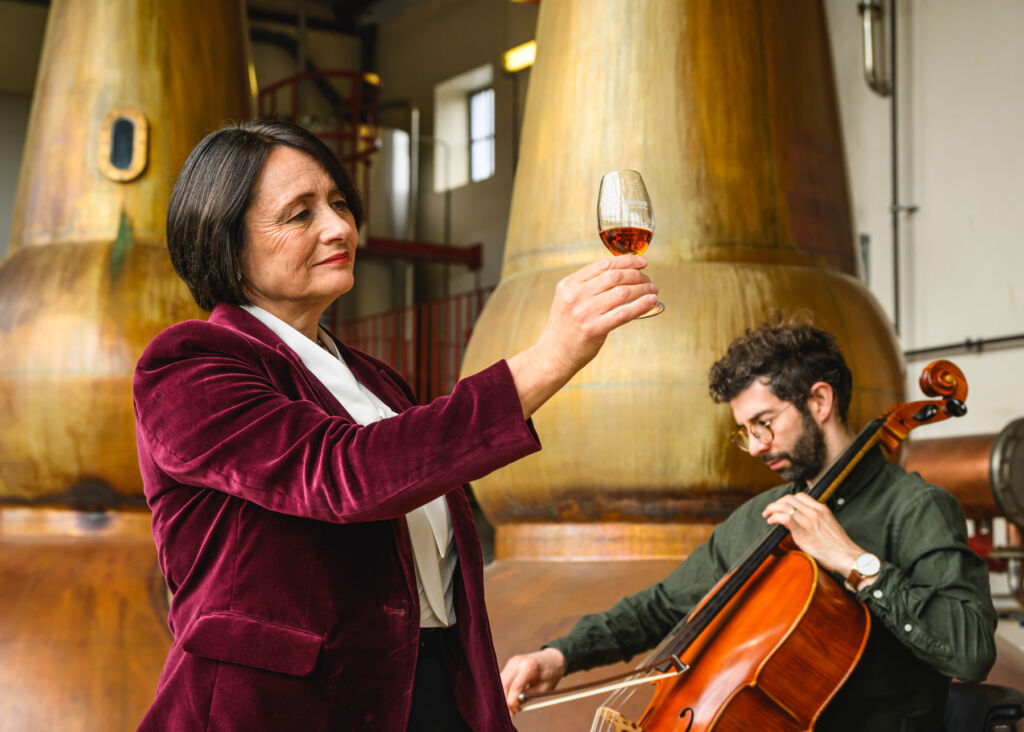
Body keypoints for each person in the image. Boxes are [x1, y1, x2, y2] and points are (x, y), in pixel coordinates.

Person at [132, 119, 660, 731]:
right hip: (282, 709)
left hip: (428, 692)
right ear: (225, 242)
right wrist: (547, 359)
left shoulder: (376, 383)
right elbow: (346, 475)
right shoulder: (190, 364)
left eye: (338, 203)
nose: (339, 227)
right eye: (299, 214)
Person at [500, 319, 997, 730]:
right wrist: (560, 657)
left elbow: (970, 653)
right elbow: (662, 606)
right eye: (745, 433)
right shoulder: (760, 519)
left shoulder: (916, 507)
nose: (756, 446)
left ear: (819, 402)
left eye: (764, 423)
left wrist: (855, 562)